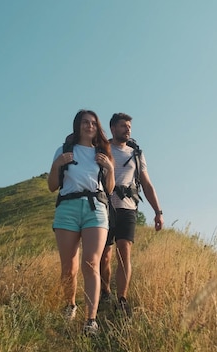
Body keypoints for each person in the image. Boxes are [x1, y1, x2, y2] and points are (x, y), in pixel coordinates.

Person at [47, 109, 115, 335]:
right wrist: (57, 164)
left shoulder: (102, 152)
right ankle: (70, 305)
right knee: (69, 267)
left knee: (91, 263)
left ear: (98, 127)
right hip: (67, 208)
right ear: (77, 126)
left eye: (93, 123)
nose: (89, 126)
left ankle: (91, 320)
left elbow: (110, 188)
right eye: (85, 122)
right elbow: (52, 186)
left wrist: (110, 168)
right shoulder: (64, 150)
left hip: (95, 208)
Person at [99, 112, 164, 316]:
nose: (127, 129)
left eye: (129, 126)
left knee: (124, 253)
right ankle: (105, 291)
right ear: (112, 128)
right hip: (104, 206)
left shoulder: (136, 154)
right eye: (123, 126)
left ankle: (122, 299)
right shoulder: (102, 149)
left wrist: (158, 211)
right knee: (105, 256)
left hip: (128, 207)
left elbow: (146, 183)